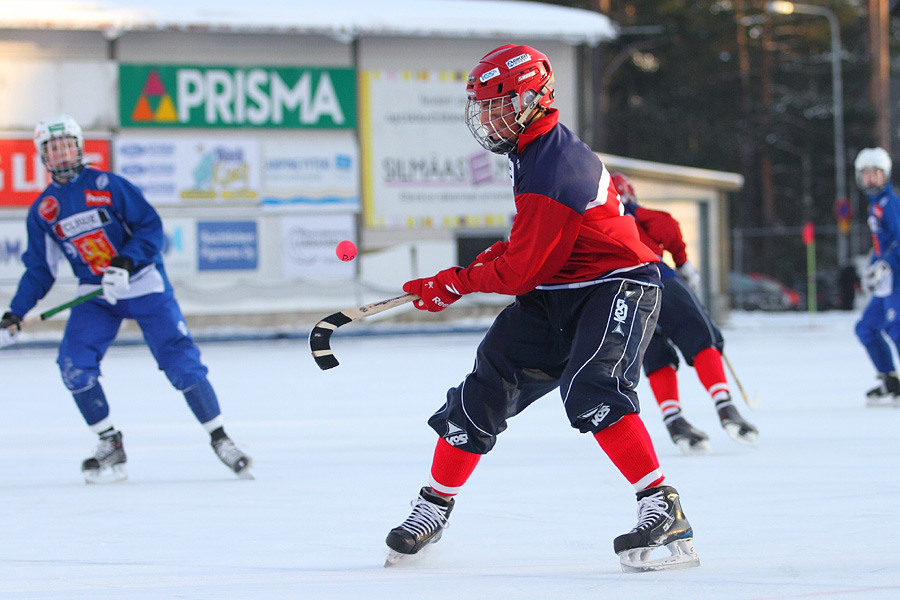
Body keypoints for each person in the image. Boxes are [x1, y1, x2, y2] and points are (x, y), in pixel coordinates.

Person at [383, 45, 699, 573]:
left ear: (533, 99)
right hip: (558, 290)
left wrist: (455, 283)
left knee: (592, 387)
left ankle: (662, 507)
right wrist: (455, 277)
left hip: (616, 285)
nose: (488, 118)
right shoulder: (530, 152)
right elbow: (528, 248)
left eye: (498, 105)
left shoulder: (555, 164)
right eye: (483, 107)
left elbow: (519, 272)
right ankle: (433, 507)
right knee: (486, 383)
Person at [0, 115, 252, 482]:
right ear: (43, 156)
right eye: (52, 148)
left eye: (66, 145)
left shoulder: (110, 185)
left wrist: (124, 262)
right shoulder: (43, 210)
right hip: (96, 294)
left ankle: (220, 437)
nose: (61, 153)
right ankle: (109, 442)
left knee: (179, 362)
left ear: (80, 147)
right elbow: (40, 269)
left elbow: (150, 227)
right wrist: (15, 312)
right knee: (73, 365)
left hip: (144, 284)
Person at [611, 173, 758, 453]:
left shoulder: (593, 221)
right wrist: (682, 261)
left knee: (656, 355)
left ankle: (674, 419)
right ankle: (725, 406)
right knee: (700, 337)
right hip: (658, 279)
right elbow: (666, 224)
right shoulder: (631, 211)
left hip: (625, 294)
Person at [853, 147, 900, 407]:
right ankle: (890, 381)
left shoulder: (890, 204)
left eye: (876, 174)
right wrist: (872, 268)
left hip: (898, 278)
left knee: (897, 328)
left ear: (886, 175)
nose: (871, 179)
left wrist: (887, 265)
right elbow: (882, 245)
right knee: (866, 328)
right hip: (886, 280)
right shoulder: (875, 206)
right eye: (866, 174)